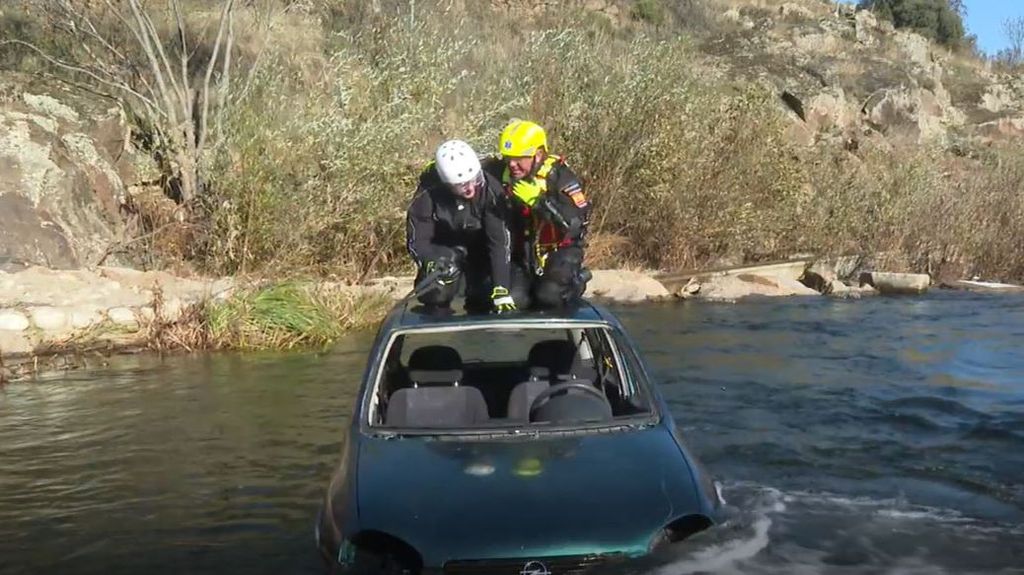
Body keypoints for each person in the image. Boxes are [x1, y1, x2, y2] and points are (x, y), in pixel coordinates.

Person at [484, 119, 592, 309]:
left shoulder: (560, 177)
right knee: (512, 301)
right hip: (522, 254)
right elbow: (467, 170)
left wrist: (539, 202)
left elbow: (574, 224)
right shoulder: (501, 172)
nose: (512, 165)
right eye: (508, 158)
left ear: (538, 154)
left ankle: (577, 281)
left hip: (559, 251)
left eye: (519, 159)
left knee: (549, 297)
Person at [406, 139, 517, 314]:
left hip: (481, 251)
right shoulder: (427, 193)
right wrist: (428, 262)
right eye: (462, 185)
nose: (470, 188)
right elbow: (417, 240)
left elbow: (500, 241)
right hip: (445, 252)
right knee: (438, 290)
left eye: (474, 180)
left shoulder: (490, 189)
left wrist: (501, 288)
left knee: (492, 294)